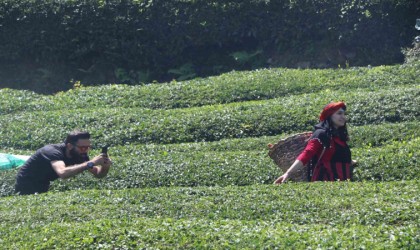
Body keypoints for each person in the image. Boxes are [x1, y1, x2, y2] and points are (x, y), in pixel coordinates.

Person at [274, 101, 357, 184]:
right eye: (339, 113)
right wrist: (288, 173)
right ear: (330, 115)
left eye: (344, 114)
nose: (343, 117)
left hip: (343, 182)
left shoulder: (339, 137)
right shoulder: (321, 134)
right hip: (325, 182)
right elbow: (307, 153)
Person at [15, 130, 112, 195]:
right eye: (83, 147)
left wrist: (105, 166)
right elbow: (63, 173)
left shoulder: (80, 154)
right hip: (27, 183)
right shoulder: (52, 151)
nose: (86, 150)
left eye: (88, 147)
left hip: (44, 183)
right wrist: (90, 163)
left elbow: (98, 174)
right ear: (69, 146)